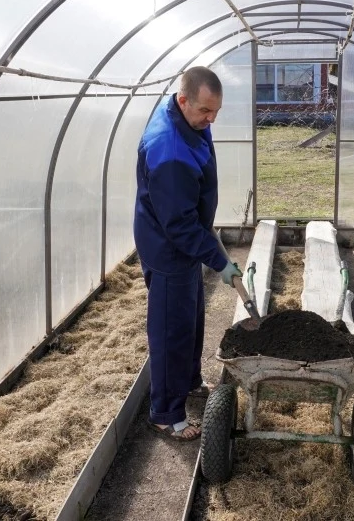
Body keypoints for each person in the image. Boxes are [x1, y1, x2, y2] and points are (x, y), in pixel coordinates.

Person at [133, 66, 242, 441]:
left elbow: (188, 208)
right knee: (171, 331)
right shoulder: (170, 151)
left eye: (216, 112)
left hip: (182, 239)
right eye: (205, 112)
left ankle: (190, 381)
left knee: (192, 317)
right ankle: (167, 412)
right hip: (167, 248)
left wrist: (210, 249)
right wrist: (219, 262)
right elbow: (178, 225)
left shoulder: (187, 118)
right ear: (184, 101)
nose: (210, 120)